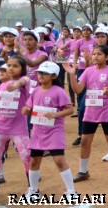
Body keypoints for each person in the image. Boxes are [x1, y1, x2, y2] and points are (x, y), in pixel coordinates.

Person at [65, 45, 108, 183]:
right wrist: (72, 74)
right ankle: (83, 172)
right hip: (90, 112)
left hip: (107, 112)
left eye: (99, 54)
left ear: (107, 57)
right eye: (94, 54)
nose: (95, 56)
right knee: (85, 141)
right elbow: (78, 90)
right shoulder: (88, 71)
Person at [21, 61, 77, 198]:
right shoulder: (35, 91)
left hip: (54, 131)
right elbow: (28, 108)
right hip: (38, 131)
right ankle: (33, 190)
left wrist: (56, 114)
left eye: (44, 73)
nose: (40, 76)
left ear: (53, 76)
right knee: (34, 160)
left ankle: (71, 191)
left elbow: (70, 109)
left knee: (59, 160)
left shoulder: (59, 92)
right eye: (39, 73)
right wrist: (26, 110)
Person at [0, 56, 32, 197]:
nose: (11, 68)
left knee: (26, 158)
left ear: (22, 68)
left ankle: (32, 188)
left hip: (18, 129)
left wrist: (13, 85)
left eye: (15, 66)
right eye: (9, 66)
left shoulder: (25, 82)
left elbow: (23, 80)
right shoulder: (0, 86)